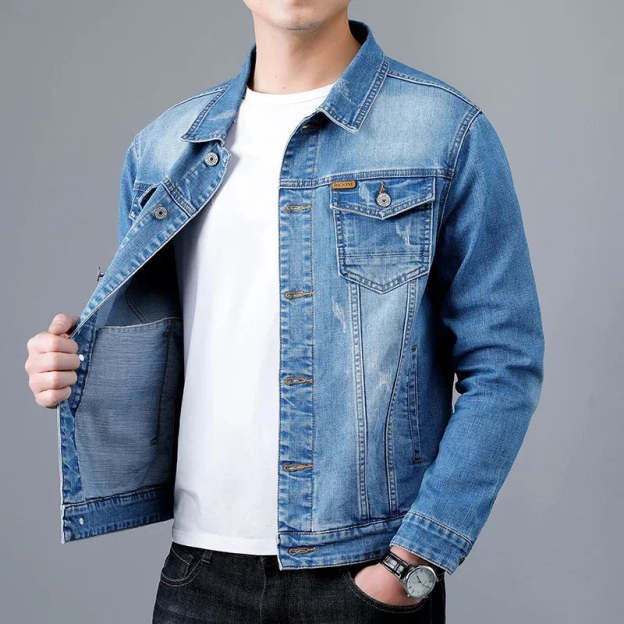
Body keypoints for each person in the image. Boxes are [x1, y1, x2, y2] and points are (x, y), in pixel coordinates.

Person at [24, 2, 544, 622]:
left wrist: (414, 561)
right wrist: (71, 365)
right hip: (201, 573)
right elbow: (155, 347)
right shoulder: (163, 149)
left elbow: (505, 362)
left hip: (365, 571)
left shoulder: (444, 131)